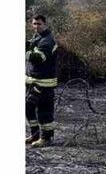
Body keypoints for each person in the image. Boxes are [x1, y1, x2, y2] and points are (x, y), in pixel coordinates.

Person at [25, 14, 59, 148]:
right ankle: (35, 135)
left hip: (44, 83)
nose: (36, 26)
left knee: (44, 111)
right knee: (28, 108)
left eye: (39, 24)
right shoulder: (37, 37)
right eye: (34, 23)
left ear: (45, 24)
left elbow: (39, 58)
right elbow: (30, 44)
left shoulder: (47, 40)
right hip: (34, 81)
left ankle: (46, 138)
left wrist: (25, 52)